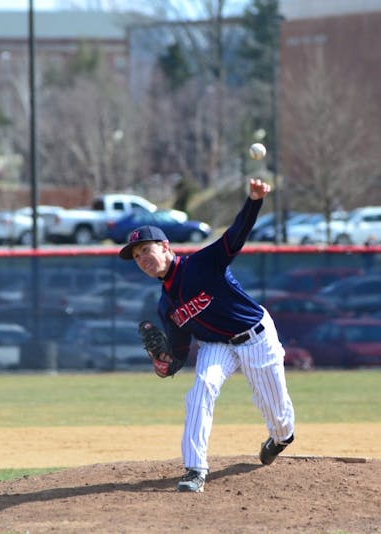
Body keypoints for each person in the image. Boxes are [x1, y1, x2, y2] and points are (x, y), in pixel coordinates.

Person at [119, 178, 296, 493]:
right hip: (217, 346)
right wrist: (167, 363)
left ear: (165, 247)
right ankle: (194, 470)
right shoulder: (165, 305)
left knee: (277, 414)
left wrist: (254, 200)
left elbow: (236, 235)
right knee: (200, 389)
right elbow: (179, 349)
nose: (143, 259)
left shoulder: (202, 264)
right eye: (136, 257)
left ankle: (281, 436)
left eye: (146, 250)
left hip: (254, 336)